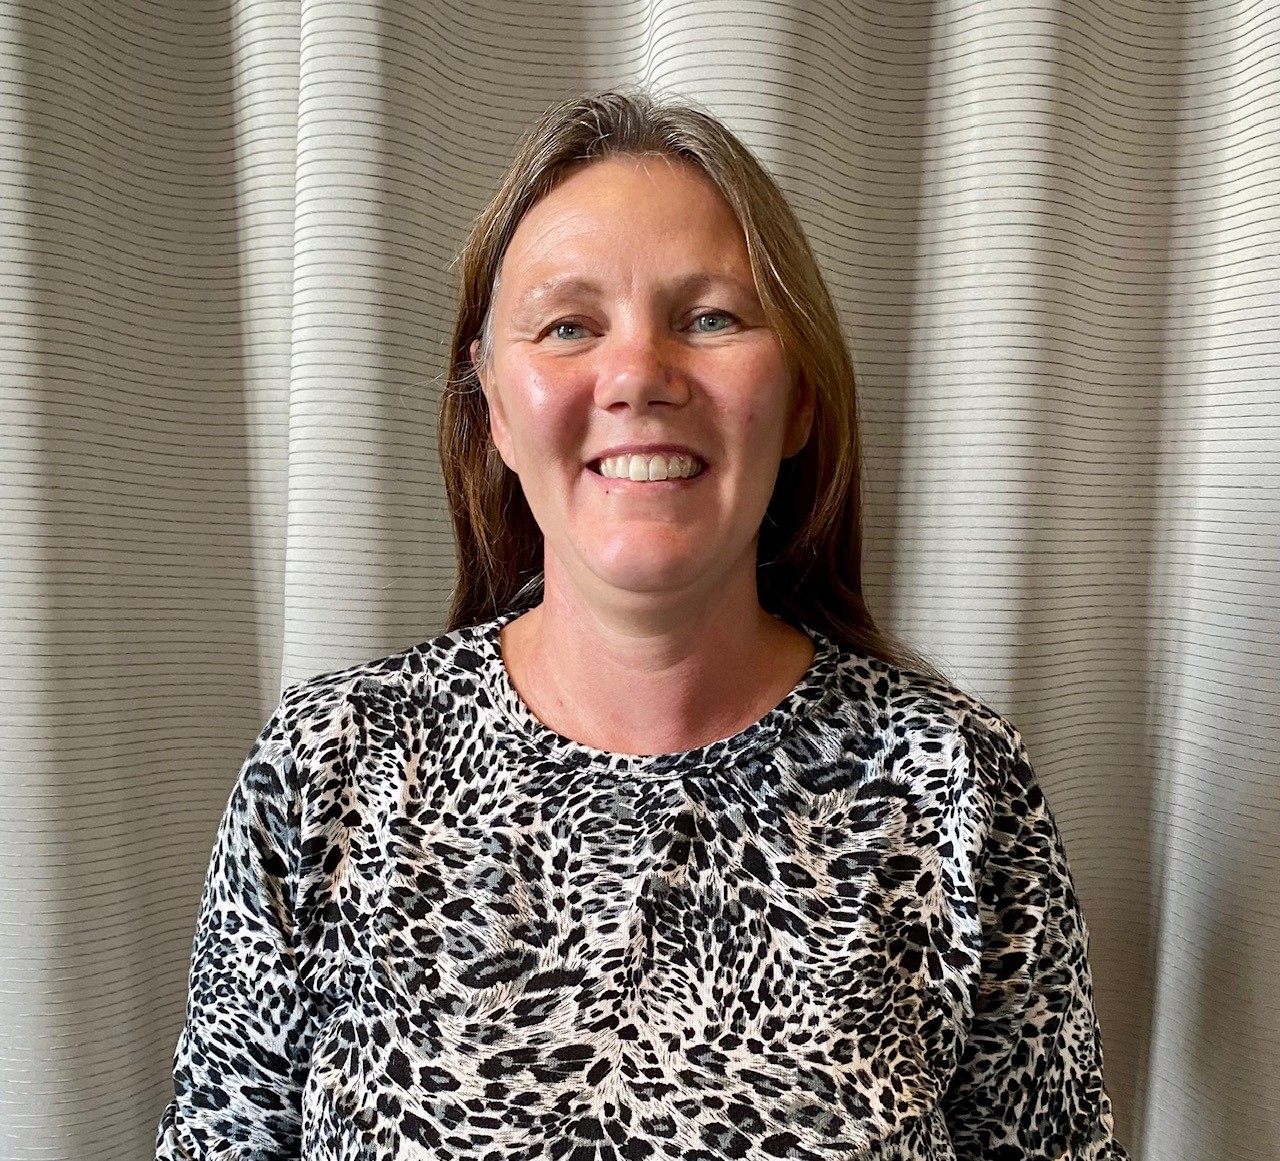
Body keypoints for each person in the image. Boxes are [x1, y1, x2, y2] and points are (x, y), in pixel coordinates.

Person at [156, 89, 1130, 1160]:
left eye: (710, 318)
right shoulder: (327, 769)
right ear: (494, 407)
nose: (636, 377)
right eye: (569, 326)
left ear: (800, 395)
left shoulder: (953, 786)